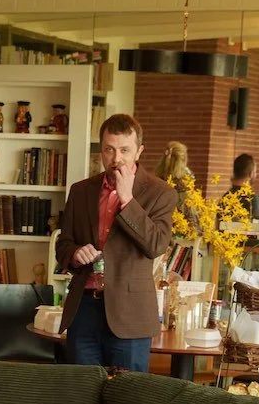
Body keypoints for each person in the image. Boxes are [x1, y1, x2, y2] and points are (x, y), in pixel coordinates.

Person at [55, 114, 178, 371]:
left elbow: (155, 245)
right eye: (109, 149)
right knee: (82, 393)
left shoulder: (161, 193)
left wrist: (126, 200)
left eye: (124, 150)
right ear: (101, 149)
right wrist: (76, 253)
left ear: (139, 151)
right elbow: (63, 243)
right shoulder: (81, 190)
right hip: (84, 308)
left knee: (127, 397)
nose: (116, 158)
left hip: (129, 314)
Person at [225, 152, 259, 217]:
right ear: (251, 174)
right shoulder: (252, 199)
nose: (256, 175)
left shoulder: (226, 197)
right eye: (255, 172)